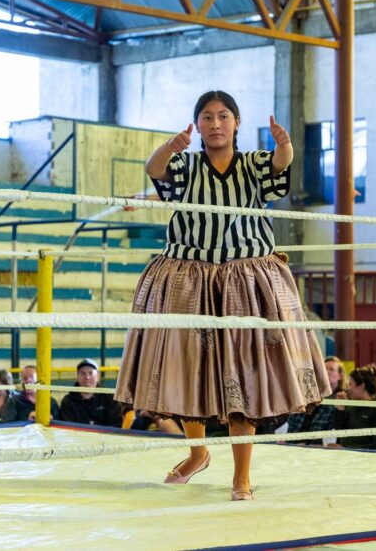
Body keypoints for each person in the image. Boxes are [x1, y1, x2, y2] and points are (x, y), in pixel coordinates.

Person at [113, 91, 330, 502]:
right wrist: (170, 146)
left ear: (236, 122)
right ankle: (197, 452)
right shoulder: (185, 164)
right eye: (207, 117)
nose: (215, 123)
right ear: (197, 124)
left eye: (223, 116)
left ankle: (241, 476)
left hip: (244, 279)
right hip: (188, 275)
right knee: (186, 368)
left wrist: (285, 145)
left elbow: (280, 168)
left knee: (243, 373)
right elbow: (154, 170)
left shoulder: (253, 163)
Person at [286, 355, 347, 444]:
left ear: (340, 376)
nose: (327, 372)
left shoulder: (342, 398)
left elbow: (338, 427)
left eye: (331, 369)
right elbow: (294, 419)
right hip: (295, 443)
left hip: (318, 446)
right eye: (324, 368)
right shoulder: (309, 393)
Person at [332, 364, 376, 450]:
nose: (348, 389)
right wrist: (340, 409)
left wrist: (347, 449)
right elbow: (338, 430)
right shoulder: (351, 407)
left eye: (350, 384)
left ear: (362, 386)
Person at [58, 359, 124, 427]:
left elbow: (116, 425)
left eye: (91, 373)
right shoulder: (68, 402)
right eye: (83, 373)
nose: (87, 377)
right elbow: (67, 429)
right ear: (77, 377)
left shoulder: (110, 399)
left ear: (98, 376)